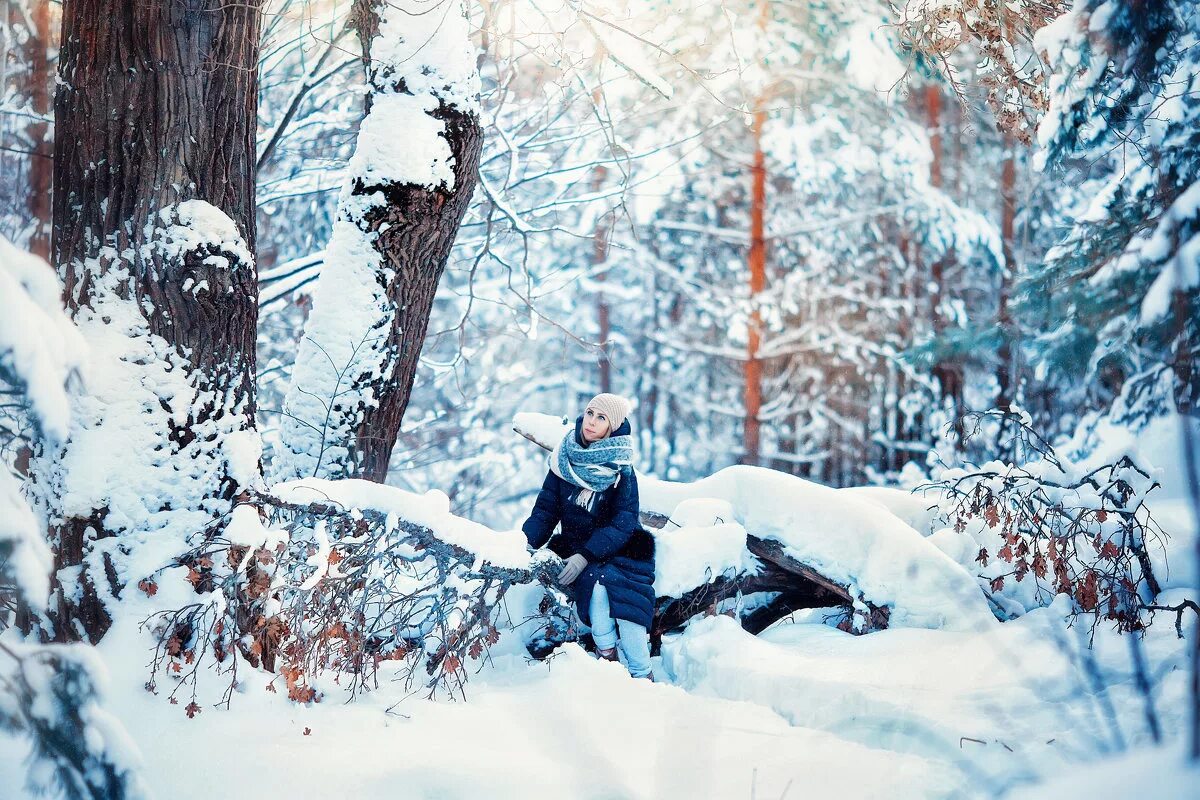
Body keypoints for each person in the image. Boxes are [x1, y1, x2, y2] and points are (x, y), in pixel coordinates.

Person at [521, 393, 656, 679]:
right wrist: (521, 545)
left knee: (625, 603)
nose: (592, 422)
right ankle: (608, 658)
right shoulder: (564, 460)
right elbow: (545, 512)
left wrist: (586, 555)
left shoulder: (621, 468)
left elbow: (625, 522)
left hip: (621, 549)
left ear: (613, 426)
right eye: (590, 413)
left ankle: (643, 674)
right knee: (596, 590)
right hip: (578, 547)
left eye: (601, 418)